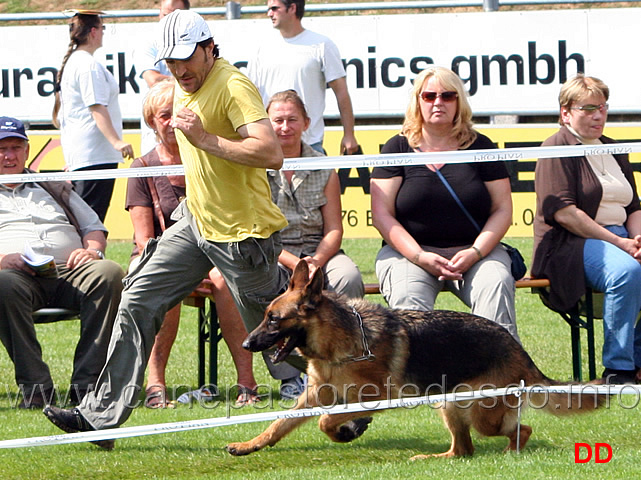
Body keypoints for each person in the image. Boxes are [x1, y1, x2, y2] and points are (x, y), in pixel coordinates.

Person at [44, 10, 301, 449]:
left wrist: (205, 141)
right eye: (171, 60)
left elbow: (270, 151)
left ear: (208, 47)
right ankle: (99, 419)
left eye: (186, 58)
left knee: (284, 329)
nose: (179, 69)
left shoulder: (233, 85)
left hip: (244, 236)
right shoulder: (181, 87)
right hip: (197, 221)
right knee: (137, 297)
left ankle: (348, 378)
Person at [126, 79, 258, 407]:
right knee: (162, 284)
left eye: (177, 113)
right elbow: (143, 238)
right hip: (159, 254)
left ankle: (247, 385)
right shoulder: (141, 167)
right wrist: (182, 268)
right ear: (151, 122)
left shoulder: (206, 157)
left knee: (225, 281)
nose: (171, 122)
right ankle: (156, 386)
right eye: (163, 116)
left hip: (215, 253)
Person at [370, 66, 519, 341]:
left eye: (447, 96)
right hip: (411, 255)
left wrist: (475, 252)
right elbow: (382, 215)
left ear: (459, 101)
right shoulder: (396, 147)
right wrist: (419, 256)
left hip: (475, 252)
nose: (438, 103)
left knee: (496, 285)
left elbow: (502, 209)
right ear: (417, 101)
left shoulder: (481, 146)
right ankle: (417, 382)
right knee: (407, 304)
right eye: (429, 96)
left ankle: (498, 380)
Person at [0, 116, 124, 409]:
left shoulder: (52, 186)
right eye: (1, 149)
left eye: (16, 147)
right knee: (3, 283)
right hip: (16, 276)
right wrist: (5, 260)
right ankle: (36, 390)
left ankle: (88, 386)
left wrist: (92, 250)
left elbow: (93, 228)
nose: (8, 155)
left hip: (70, 270)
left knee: (109, 272)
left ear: (27, 151)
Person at [532, 74, 641, 385]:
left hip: (621, 236)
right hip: (573, 243)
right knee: (625, 272)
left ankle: (639, 359)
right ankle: (618, 370)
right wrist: (621, 245)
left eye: (603, 108)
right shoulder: (556, 146)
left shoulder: (613, 148)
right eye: (588, 108)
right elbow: (566, 214)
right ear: (566, 112)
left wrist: (635, 239)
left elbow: (633, 206)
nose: (598, 115)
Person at [267, 90, 364, 299]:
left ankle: (347, 332)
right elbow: (259, 236)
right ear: (267, 124)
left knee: (349, 277)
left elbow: (334, 230)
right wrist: (298, 265)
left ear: (306, 123)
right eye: (278, 120)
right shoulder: (255, 168)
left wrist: (315, 262)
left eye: (292, 120)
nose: (285, 127)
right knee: (264, 280)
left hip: (319, 253)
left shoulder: (324, 167)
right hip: (275, 256)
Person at [52, 10, 134, 222]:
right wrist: (116, 142)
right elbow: (96, 107)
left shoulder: (76, 62)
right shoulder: (87, 65)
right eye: (102, 29)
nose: (103, 34)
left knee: (84, 219)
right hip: (95, 156)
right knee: (90, 222)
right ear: (94, 32)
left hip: (86, 155)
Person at [247, 0, 359, 154]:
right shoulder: (261, 48)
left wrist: (349, 134)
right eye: (269, 9)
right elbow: (251, 97)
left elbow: (341, 93)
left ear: (292, 8)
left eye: (274, 9)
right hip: (270, 145)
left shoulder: (323, 45)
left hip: (311, 144)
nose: (269, 14)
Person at [134, 0, 189, 156]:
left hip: (190, 132)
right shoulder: (148, 43)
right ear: (159, 12)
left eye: (174, 16)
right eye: (165, 14)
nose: (167, 21)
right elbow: (153, 80)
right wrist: (189, 82)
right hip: (158, 135)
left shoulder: (196, 43)